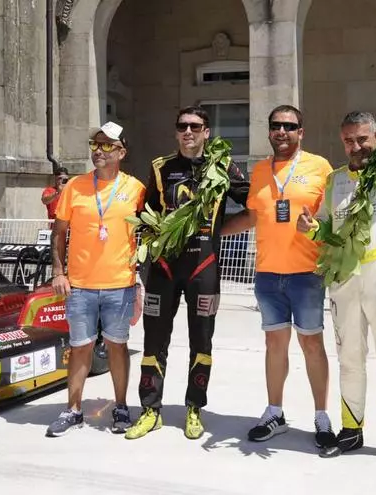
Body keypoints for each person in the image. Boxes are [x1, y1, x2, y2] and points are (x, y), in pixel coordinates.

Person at [296, 36, 376, 470]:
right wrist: (312, 228)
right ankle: (351, 431)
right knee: (349, 359)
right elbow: (327, 229)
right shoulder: (334, 180)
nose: (357, 146)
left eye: (363, 138)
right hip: (343, 280)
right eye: (349, 141)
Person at [125, 106, 250, 441]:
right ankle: (150, 410)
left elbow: (254, 207)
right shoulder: (160, 167)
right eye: (182, 126)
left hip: (203, 267)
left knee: (202, 340)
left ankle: (195, 408)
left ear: (207, 131)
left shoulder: (222, 166)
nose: (188, 132)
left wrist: (219, 231)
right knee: (154, 340)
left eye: (195, 126)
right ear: (176, 131)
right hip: (164, 268)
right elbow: (146, 214)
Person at [221, 105, 337, 448]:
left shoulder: (320, 167)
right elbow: (252, 217)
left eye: (289, 126)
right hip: (268, 274)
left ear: (301, 132)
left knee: (312, 344)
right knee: (274, 345)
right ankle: (275, 413)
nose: (282, 131)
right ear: (269, 131)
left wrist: (315, 227)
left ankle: (322, 416)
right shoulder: (259, 170)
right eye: (276, 126)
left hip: (307, 274)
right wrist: (212, 234)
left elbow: (334, 218)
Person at [46, 121, 146, 437]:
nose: (98, 151)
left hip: (120, 284)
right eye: (95, 144)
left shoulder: (136, 189)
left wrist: (141, 276)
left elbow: (148, 232)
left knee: (118, 347)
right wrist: (58, 272)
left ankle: (120, 407)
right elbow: (59, 233)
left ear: (121, 152)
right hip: (80, 285)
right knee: (80, 347)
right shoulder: (75, 186)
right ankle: (73, 410)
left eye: (106, 145)